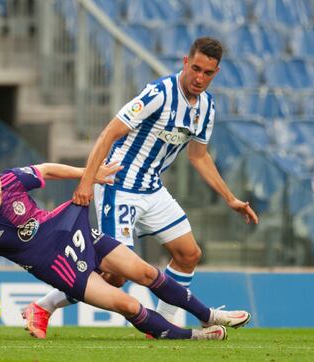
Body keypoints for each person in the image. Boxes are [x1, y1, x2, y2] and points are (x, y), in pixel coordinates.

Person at [26, 36, 259, 338]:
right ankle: (44, 306)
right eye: (196, 69)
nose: (200, 78)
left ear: (216, 72)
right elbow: (108, 133)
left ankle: (162, 325)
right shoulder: (159, 93)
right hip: (119, 185)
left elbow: (198, 156)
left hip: (152, 188)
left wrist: (230, 198)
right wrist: (87, 181)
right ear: (186, 62)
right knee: (115, 274)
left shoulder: (206, 107)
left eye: (208, 73)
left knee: (188, 253)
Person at [0, 151, 250, 341]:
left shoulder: (12, 181)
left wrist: (90, 174)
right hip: (57, 267)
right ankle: (195, 336)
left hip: (71, 231)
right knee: (126, 305)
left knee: (143, 272)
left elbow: (45, 170)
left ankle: (208, 315)